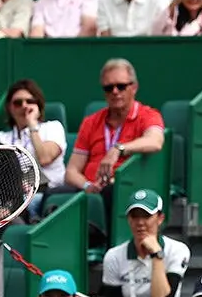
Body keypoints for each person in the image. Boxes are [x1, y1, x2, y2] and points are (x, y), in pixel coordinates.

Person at [63, 59, 165, 215]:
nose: (115, 92)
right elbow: (71, 172)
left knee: (109, 193)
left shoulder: (148, 116)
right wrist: (87, 186)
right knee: (53, 194)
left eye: (121, 86)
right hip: (90, 190)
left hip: (124, 188)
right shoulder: (91, 121)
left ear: (134, 87)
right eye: (109, 88)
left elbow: (155, 141)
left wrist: (119, 149)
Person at [0, 78, 67, 219]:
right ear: (9, 107)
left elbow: (45, 158)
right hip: (14, 199)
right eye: (17, 103)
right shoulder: (1, 138)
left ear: (38, 104)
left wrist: (32, 125)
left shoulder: (52, 127)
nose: (24, 106)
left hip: (47, 195)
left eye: (30, 101)